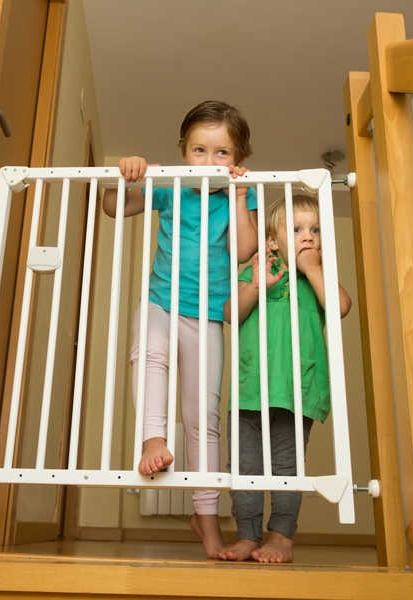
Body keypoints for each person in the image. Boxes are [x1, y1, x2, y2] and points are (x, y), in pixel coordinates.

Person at [102, 101, 259, 558]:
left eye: (222, 153)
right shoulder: (170, 186)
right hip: (160, 302)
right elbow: (114, 207)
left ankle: (207, 521)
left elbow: (244, 250)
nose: (209, 163)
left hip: (208, 314)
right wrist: (126, 173)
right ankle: (153, 438)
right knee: (149, 355)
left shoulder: (237, 194)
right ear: (183, 152)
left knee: (203, 418)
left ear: (238, 160)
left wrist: (237, 198)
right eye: (199, 150)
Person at [220, 194, 351, 563]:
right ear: (272, 240)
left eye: (315, 230)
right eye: (296, 230)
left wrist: (312, 269)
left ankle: (281, 536)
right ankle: (247, 533)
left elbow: (340, 307)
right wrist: (255, 285)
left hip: (297, 391)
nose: (308, 237)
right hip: (251, 388)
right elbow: (232, 312)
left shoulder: (320, 276)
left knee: (287, 469)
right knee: (244, 467)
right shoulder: (260, 268)